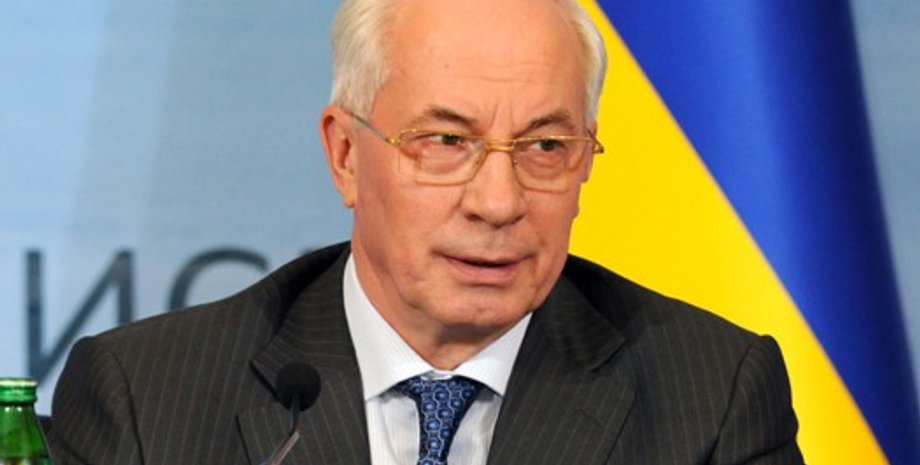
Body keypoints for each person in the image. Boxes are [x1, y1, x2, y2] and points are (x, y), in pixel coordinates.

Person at [48, 0, 804, 463]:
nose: (499, 202)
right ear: (346, 156)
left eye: (545, 146)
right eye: (445, 142)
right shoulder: (146, 399)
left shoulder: (712, 399)